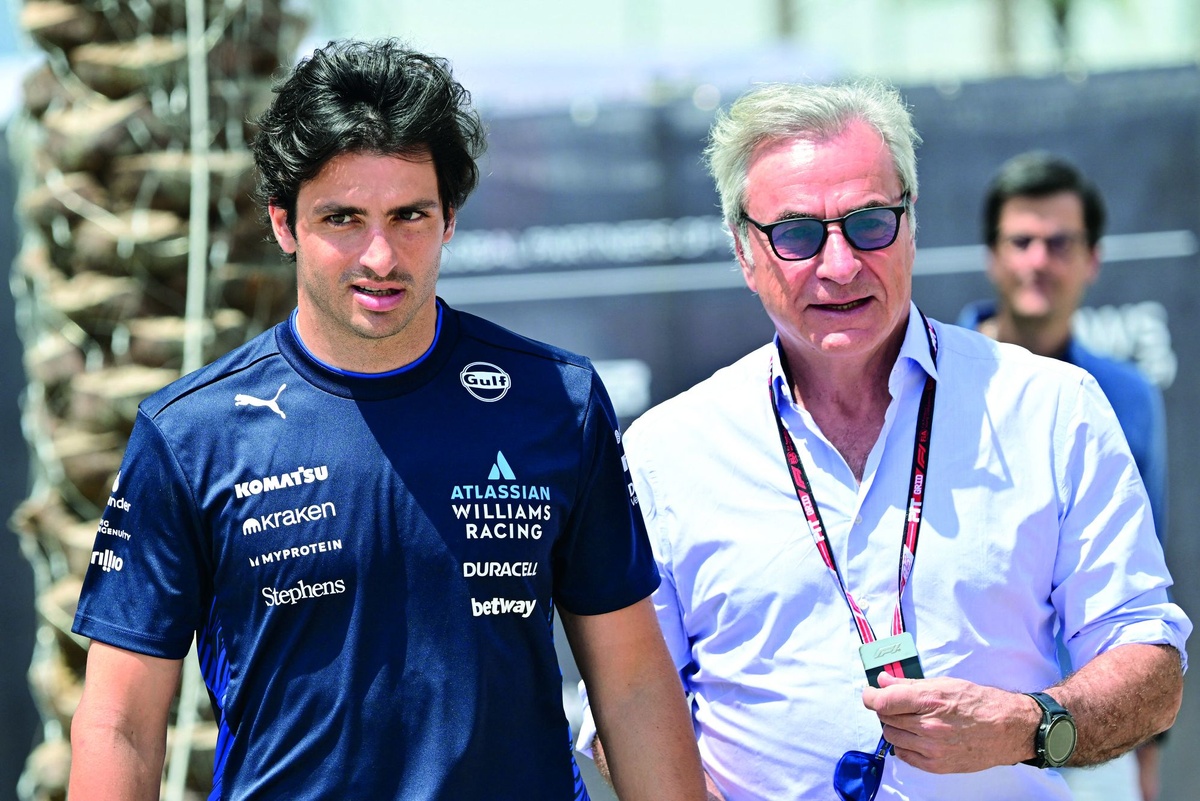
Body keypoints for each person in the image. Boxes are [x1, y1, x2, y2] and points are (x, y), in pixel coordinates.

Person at [67, 38, 704, 801]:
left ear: (450, 218)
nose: (380, 255)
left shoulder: (555, 400)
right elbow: (120, 723)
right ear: (283, 223)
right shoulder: (190, 434)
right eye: (342, 218)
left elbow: (633, 682)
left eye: (409, 215)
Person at [579, 79, 1188, 800]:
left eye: (869, 223)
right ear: (745, 251)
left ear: (911, 221)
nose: (840, 265)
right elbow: (625, 702)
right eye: (797, 234)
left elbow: (1149, 666)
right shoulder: (668, 452)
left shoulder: (1049, 407)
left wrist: (1027, 726)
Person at [957, 151, 1171, 801]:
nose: (1038, 260)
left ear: (1092, 259)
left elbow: (1143, 587)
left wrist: (1146, 748)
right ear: (992, 255)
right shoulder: (929, 380)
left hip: (1090, 735)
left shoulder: (1127, 397)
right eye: (1021, 241)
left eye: (1059, 243)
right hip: (963, 731)